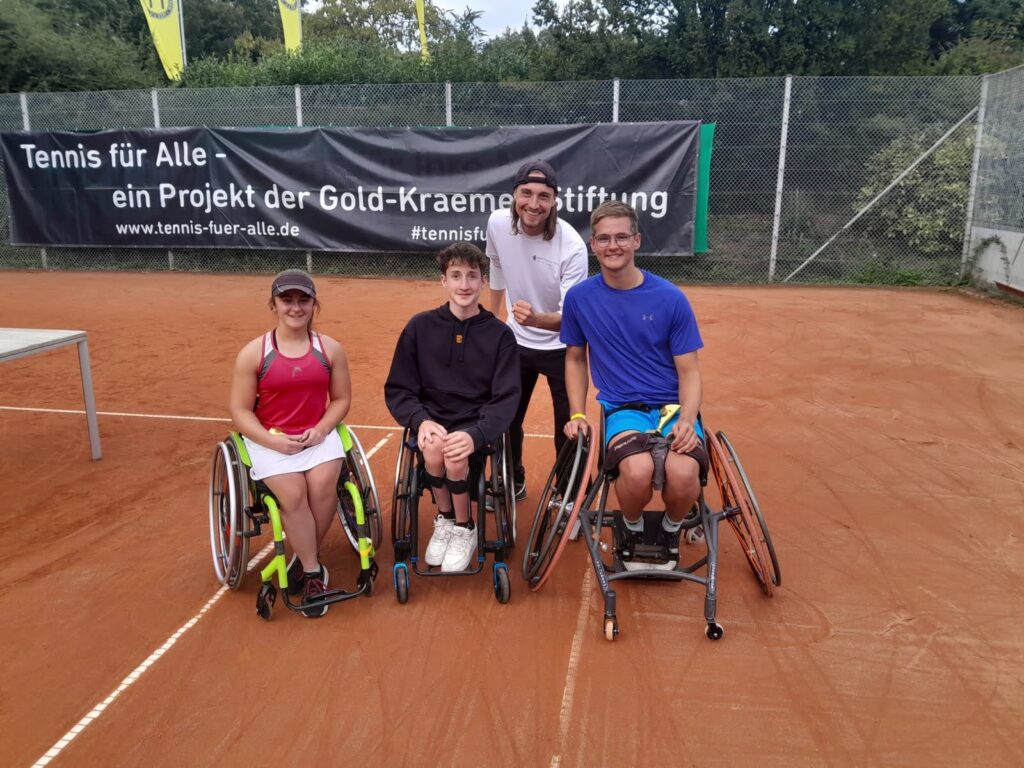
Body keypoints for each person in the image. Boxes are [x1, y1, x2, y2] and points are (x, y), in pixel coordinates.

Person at [561, 201, 708, 570]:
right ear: (593, 244)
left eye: (622, 237)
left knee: (684, 472)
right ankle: (632, 526)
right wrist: (577, 412)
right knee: (639, 472)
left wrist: (688, 420)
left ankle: (671, 528)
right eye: (604, 238)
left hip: (673, 410)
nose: (614, 245)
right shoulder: (580, 298)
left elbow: (689, 372)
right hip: (622, 410)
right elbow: (576, 358)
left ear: (636, 240)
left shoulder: (670, 298)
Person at [385, 243, 521, 572]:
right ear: (443, 281)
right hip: (434, 420)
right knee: (432, 447)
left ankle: (465, 527)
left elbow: (505, 398)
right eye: (456, 276)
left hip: (476, 425)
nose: (464, 285)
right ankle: (446, 519)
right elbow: (399, 387)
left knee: (454, 454)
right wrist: (421, 420)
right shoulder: (419, 327)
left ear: (483, 282)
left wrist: (477, 434)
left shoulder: (501, 336)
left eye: (472, 276)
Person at [228, 269, 351, 617]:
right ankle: (313, 572)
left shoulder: (331, 349)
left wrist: (323, 429)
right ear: (274, 304)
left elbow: (341, 399)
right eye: (287, 300)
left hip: (317, 436)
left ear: (314, 304)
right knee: (294, 494)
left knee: (324, 485)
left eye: (303, 300)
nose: (295, 307)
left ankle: (302, 558)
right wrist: (271, 441)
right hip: (271, 440)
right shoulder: (253, 354)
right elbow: (239, 409)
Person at [486, 159, 588, 501]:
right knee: (506, 418)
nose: (533, 204)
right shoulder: (498, 224)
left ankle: (569, 494)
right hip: (515, 342)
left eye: (543, 196)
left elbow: (573, 316)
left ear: (554, 200)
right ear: (514, 195)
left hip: (563, 347)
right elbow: (497, 266)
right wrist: (492, 319)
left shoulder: (571, 245)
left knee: (568, 426)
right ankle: (513, 478)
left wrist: (536, 320)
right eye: (526, 193)